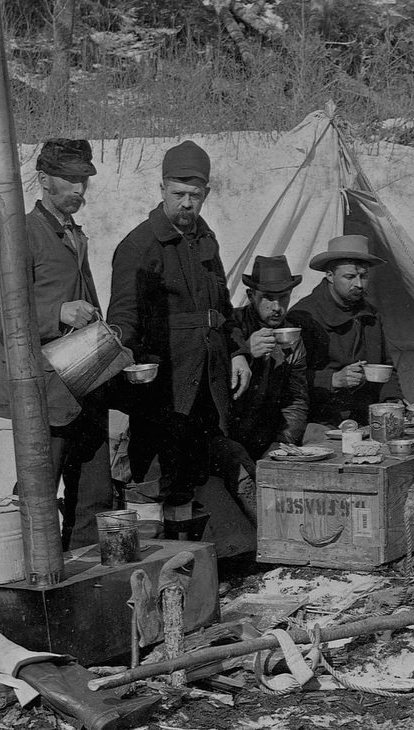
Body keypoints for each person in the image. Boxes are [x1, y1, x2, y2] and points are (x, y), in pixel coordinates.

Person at [0, 138, 121, 550]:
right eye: (71, 180)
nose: (80, 189)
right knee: (38, 494)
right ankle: (24, 578)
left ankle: (86, 582)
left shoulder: (73, 234)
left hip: (84, 384)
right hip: (42, 391)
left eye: (84, 180)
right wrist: (57, 313)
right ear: (44, 180)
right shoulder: (20, 234)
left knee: (94, 497)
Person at [107, 140, 252, 508]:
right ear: (161, 190)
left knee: (198, 472)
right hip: (166, 386)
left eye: (195, 195)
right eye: (178, 194)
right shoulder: (139, 245)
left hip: (208, 379)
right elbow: (123, 319)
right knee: (157, 479)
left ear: (206, 193)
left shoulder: (206, 240)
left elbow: (224, 306)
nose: (186, 203)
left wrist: (236, 351)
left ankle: (197, 554)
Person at [287, 234, 404, 429]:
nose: (358, 284)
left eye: (364, 276)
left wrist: (394, 399)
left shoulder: (371, 315)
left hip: (365, 418)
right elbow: (288, 379)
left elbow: (386, 367)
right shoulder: (304, 316)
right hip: (319, 420)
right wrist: (333, 379)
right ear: (330, 275)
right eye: (350, 277)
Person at [226, 255, 310, 458]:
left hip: (267, 436)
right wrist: (245, 352)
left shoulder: (293, 339)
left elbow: (296, 401)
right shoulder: (231, 328)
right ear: (251, 294)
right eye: (268, 297)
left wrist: (282, 444)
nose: (277, 307)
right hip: (227, 435)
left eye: (283, 297)